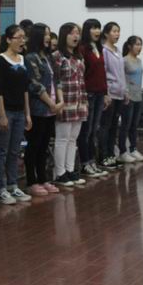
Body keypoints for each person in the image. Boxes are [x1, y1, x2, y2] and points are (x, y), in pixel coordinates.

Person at [0, 25, 33, 205]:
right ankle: (0, 189)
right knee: (1, 150)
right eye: (18, 37)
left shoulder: (23, 60)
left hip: (19, 111)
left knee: (15, 150)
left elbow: (25, 89)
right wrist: (2, 114)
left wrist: (27, 113)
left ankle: (12, 184)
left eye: (24, 37)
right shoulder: (0, 61)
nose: (22, 41)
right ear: (8, 40)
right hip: (6, 110)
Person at [24, 23, 63, 196]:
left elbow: (57, 80)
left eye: (49, 33)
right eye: (45, 34)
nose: (48, 37)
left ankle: (43, 178)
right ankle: (31, 181)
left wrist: (60, 101)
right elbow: (35, 84)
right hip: (39, 108)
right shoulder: (30, 57)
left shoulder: (48, 57)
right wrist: (51, 103)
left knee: (44, 145)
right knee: (34, 145)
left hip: (51, 108)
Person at [51, 23, 88, 187]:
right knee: (62, 138)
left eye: (77, 33)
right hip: (65, 102)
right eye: (72, 33)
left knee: (73, 139)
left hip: (79, 102)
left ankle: (70, 170)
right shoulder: (57, 56)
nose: (76, 36)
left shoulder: (79, 56)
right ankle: (60, 173)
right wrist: (58, 102)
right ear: (64, 35)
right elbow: (55, 81)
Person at [77, 19, 110, 176]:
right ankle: (85, 163)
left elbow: (102, 73)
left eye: (98, 28)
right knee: (86, 130)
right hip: (88, 93)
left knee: (93, 130)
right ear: (87, 30)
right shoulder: (83, 49)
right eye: (94, 28)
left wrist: (105, 92)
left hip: (99, 93)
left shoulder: (99, 48)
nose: (97, 31)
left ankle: (92, 162)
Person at [99, 22, 127, 167]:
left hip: (119, 93)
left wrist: (125, 91)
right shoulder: (104, 51)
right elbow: (103, 73)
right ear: (106, 33)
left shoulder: (117, 50)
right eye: (114, 31)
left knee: (114, 126)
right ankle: (103, 156)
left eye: (118, 31)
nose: (117, 34)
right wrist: (106, 93)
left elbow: (121, 73)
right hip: (110, 93)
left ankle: (111, 155)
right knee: (106, 126)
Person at [120, 36, 143, 163]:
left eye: (140, 44)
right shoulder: (124, 60)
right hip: (128, 97)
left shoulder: (139, 60)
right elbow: (121, 78)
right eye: (137, 44)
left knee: (134, 125)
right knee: (126, 125)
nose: (139, 47)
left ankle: (133, 149)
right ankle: (122, 151)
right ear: (129, 46)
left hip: (138, 96)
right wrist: (125, 93)